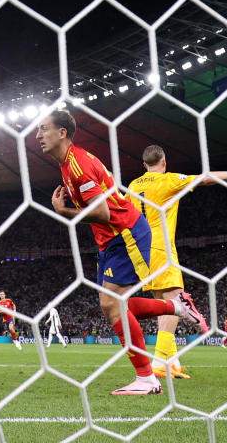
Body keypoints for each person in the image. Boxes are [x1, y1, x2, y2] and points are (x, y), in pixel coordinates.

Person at [36, 110, 207, 395]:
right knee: (114, 305)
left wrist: (65, 211)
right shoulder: (69, 164)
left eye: (44, 129)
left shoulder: (78, 165)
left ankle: (146, 377)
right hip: (110, 239)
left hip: (125, 233)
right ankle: (176, 307)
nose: (38, 136)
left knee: (112, 304)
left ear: (62, 132)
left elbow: (102, 212)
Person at [127, 146, 227, 378]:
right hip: (161, 248)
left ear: (144, 165)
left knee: (165, 306)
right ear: (164, 162)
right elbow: (204, 179)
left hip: (140, 251)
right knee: (177, 303)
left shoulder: (133, 186)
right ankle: (157, 363)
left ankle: (171, 362)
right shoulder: (168, 180)